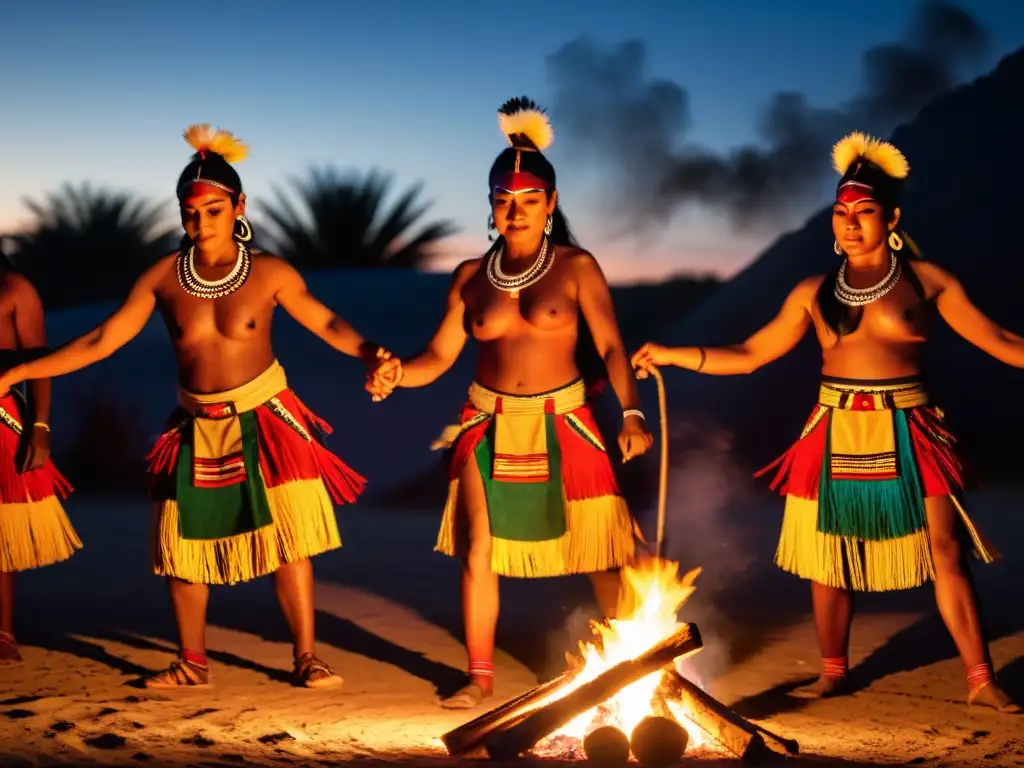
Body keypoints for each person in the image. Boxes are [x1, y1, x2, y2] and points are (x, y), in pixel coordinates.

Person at [631, 131, 1021, 714]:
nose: (850, 223)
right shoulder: (812, 293)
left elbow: (999, 339)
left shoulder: (929, 280)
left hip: (910, 429)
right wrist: (674, 353)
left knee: (944, 552)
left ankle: (980, 678)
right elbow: (750, 353)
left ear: (892, 217)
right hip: (832, 429)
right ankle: (832, 672)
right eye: (841, 213)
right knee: (827, 557)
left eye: (864, 212)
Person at [0, 125, 389, 688]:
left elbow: (326, 320)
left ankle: (307, 657)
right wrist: (20, 370)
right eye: (191, 211)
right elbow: (99, 340)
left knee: (290, 541)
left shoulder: (270, 272)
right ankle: (192, 662)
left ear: (239, 207)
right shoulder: (162, 277)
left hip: (268, 417)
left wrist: (371, 352)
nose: (202, 221)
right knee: (180, 545)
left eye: (214, 209)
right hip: (193, 423)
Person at [368, 97, 653, 709]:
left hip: (567, 421)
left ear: (550, 204)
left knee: (605, 552)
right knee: (478, 550)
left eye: (528, 200)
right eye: (503, 199)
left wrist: (631, 414)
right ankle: (479, 679)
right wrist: (397, 374)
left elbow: (610, 347)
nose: (515, 210)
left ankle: (635, 668)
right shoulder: (471, 275)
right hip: (486, 421)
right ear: (492, 205)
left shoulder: (577, 267)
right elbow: (437, 358)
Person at [0, 268, 79, 663]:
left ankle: (3, 632)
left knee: (1, 531)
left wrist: (41, 426)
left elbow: (40, 362)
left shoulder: (15, 289)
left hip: (4, 417)